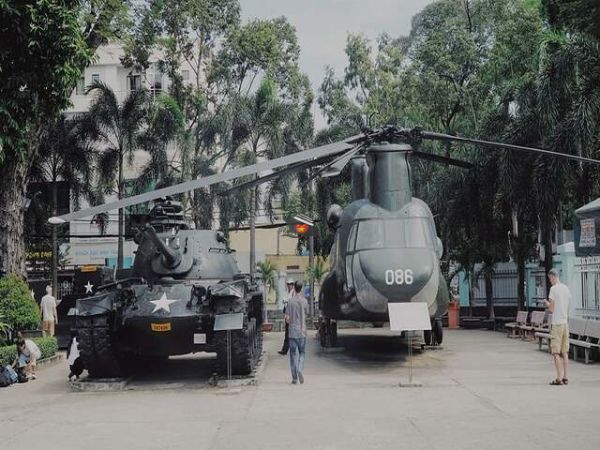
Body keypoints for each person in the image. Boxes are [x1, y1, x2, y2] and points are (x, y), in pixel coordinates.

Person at [544, 269, 571, 386]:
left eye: (550, 279)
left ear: (553, 277)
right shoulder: (566, 288)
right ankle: (565, 377)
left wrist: (546, 303)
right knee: (565, 351)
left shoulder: (553, 289)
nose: (550, 281)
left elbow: (551, 309)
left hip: (557, 324)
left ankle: (558, 378)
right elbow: (568, 305)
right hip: (565, 323)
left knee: (555, 352)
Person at [286, 280, 309, 384]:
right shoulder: (305, 301)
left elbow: (287, 318)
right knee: (302, 353)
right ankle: (300, 369)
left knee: (293, 355)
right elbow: (307, 314)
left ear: (294, 288)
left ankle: (294, 378)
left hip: (292, 332)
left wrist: (289, 321)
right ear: (302, 288)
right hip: (302, 331)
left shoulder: (290, 301)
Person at [278, 279, 295, 355]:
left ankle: (289, 350)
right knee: (288, 334)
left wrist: (286, 301)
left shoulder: (294, 293)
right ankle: (285, 350)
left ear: (293, 285)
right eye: (288, 284)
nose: (289, 285)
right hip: (287, 313)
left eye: (290, 284)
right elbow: (284, 301)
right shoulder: (288, 293)